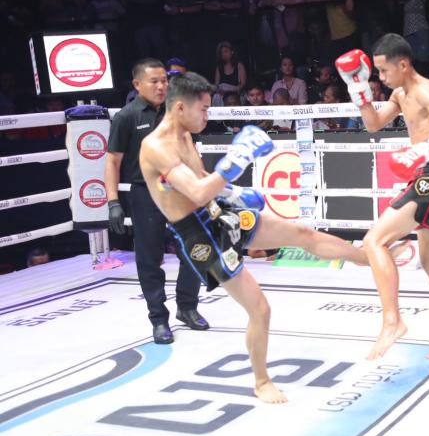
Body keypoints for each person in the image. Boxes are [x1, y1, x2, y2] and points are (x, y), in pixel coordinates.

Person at [138, 72, 405, 401]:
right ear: (180, 107)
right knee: (260, 310)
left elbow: (201, 177)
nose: (207, 116)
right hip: (199, 235)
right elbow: (195, 190)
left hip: (218, 210)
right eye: (203, 109)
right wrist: (237, 159)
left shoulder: (185, 135)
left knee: (301, 232)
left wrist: (233, 192)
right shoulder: (156, 146)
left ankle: (366, 257)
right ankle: (262, 382)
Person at [335, 33, 429, 360]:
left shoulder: (425, 89)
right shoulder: (399, 93)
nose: (380, 77)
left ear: (404, 64)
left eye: (384, 70)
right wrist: (359, 92)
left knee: (374, 241)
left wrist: (423, 150)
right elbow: (373, 124)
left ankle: (392, 321)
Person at [105, 58, 205, 345]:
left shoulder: (175, 110)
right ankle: (159, 319)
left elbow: (190, 148)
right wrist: (113, 201)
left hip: (180, 189)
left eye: (164, 80)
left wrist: (201, 185)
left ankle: (187, 307)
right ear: (137, 84)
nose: (162, 86)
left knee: (195, 250)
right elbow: (112, 161)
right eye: (155, 81)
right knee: (149, 258)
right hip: (145, 193)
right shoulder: (126, 116)